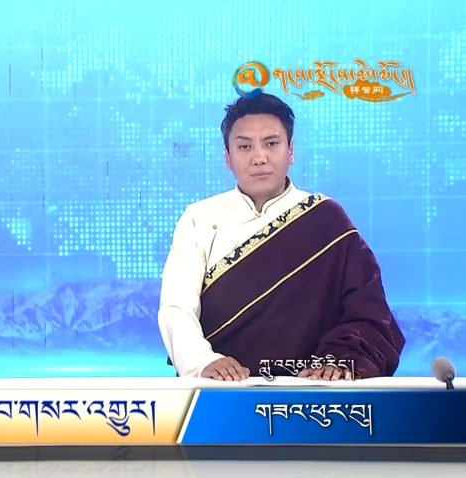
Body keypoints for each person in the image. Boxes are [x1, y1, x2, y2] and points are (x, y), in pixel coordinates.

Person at [158, 93, 405, 381]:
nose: (259, 157)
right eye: (244, 146)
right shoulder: (198, 218)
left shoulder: (327, 220)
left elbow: (367, 311)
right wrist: (203, 363)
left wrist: (338, 362)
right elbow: (176, 307)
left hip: (310, 391)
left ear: (291, 150)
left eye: (271, 143)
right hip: (220, 390)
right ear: (227, 157)